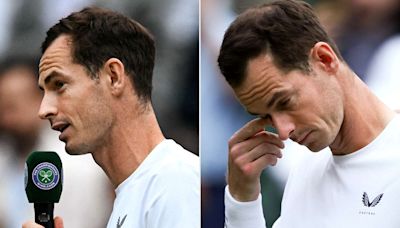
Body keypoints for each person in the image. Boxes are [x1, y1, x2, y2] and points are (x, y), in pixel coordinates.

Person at [217, 0, 400, 227]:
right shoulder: (303, 169)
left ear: (325, 59)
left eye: (285, 102)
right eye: (267, 117)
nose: (283, 131)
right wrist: (242, 200)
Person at [23, 6, 199, 228]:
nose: (44, 109)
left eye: (59, 84)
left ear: (114, 77)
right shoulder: (133, 193)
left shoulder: (175, 182)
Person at [0, 57, 111, 228]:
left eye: (14, 106)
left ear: (40, 100)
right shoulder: (4, 159)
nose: (8, 118)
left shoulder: (78, 161)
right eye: (3, 108)